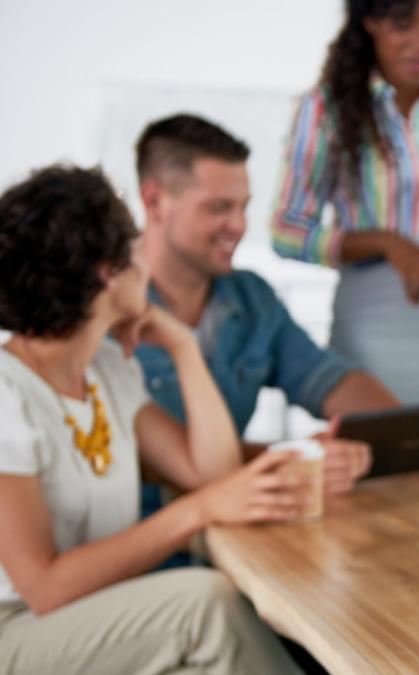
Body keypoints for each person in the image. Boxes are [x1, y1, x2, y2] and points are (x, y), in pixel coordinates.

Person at [0, 165, 305, 673]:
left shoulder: (108, 374)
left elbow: (210, 472)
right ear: (106, 271)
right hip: (18, 630)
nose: (146, 259)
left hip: (101, 620)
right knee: (207, 604)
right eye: (134, 247)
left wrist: (185, 349)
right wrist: (198, 510)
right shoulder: (6, 392)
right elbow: (45, 588)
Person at [135, 114, 399, 498]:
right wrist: (296, 460)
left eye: (243, 207)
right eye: (218, 208)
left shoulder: (252, 299)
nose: (239, 225)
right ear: (154, 200)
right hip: (146, 542)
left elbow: (328, 378)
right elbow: (144, 457)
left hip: (237, 530)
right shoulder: (104, 308)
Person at [272, 0, 419, 404]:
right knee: (375, 453)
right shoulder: (323, 108)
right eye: (402, 25)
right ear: (370, 23)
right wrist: (387, 243)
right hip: (370, 323)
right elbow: (287, 232)